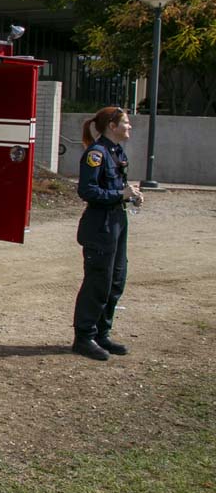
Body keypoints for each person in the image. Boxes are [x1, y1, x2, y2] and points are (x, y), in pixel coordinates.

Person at [72, 106, 143, 361]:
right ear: (112, 126)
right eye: (125, 123)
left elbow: (116, 185)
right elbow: (87, 191)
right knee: (98, 282)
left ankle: (102, 333)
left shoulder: (116, 152)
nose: (129, 127)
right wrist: (118, 195)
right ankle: (84, 337)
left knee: (116, 279)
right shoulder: (96, 154)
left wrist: (131, 194)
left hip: (117, 221)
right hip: (100, 225)